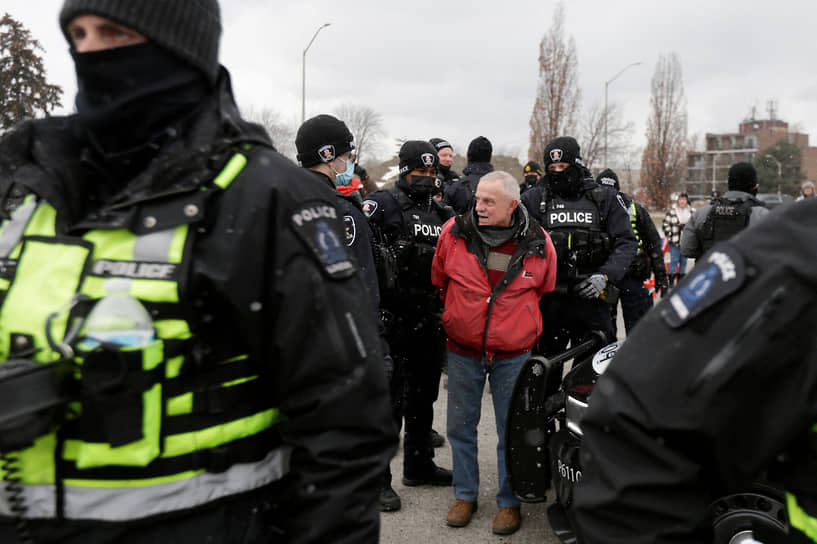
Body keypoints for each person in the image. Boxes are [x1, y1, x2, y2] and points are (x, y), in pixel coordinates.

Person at [0, 2, 397, 542]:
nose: (89, 51)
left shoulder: (267, 199)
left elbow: (343, 428)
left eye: (114, 32)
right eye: (78, 34)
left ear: (180, 47)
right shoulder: (24, 180)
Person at [573, 198, 817, 543]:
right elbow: (637, 428)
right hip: (724, 298)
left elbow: (680, 244)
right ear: (755, 187)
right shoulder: (797, 245)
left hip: (700, 288)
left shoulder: (703, 215)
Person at [432, 171, 557, 535]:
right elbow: (439, 280)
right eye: (478, 199)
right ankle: (465, 495)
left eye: (489, 201)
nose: (480, 207)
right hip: (463, 350)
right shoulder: (453, 233)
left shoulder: (538, 241)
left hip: (513, 354)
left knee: (511, 430)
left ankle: (508, 503)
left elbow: (544, 287)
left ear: (512, 206)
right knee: (460, 426)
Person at [294, 115, 402, 512]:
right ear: (328, 156)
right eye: (344, 154)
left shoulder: (280, 202)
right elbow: (359, 282)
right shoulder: (340, 210)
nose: (349, 161)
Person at [362, 141, 454, 487]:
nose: (428, 178)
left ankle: (419, 467)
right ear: (404, 171)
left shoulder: (442, 213)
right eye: (421, 172)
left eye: (433, 173)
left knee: (423, 397)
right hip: (393, 317)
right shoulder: (381, 205)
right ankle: (379, 480)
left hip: (428, 317)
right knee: (390, 402)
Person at [521, 137, 637, 354]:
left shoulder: (604, 198)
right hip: (550, 300)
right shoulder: (534, 198)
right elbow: (520, 245)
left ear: (576, 165)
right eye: (552, 167)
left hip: (593, 299)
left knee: (593, 372)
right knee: (542, 371)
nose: (558, 172)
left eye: (563, 167)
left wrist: (605, 276)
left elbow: (626, 242)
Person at [597, 168, 669, 335]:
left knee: (632, 329)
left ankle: (625, 358)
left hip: (624, 276)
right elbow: (653, 244)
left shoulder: (634, 209)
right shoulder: (591, 209)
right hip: (607, 277)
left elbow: (653, 243)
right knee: (606, 331)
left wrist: (661, 276)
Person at [681, 162, 770, 260]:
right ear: (755, 187)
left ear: (729, 184)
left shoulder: (701, 213)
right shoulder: (764, 216)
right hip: (747, 273)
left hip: (711, 271)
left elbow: (687, 249)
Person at [443, 136, 494, 214]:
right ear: (489, 156)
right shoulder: (502, 187)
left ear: (469, 156)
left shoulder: (456, 187)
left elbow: (445, 217)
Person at [662, 192, 692, 285]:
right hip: (674, 241)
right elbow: (665, 224)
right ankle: (671, 281)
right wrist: (670, 235)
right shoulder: (672, 211)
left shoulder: (692, 211)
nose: (682, 201)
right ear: (678, 200)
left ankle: (681, 282)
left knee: (683, 261)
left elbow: (695, 226)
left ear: (687, 200)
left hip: (686, 241)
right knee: (674, 260)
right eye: (680, 199)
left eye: (684, 199)